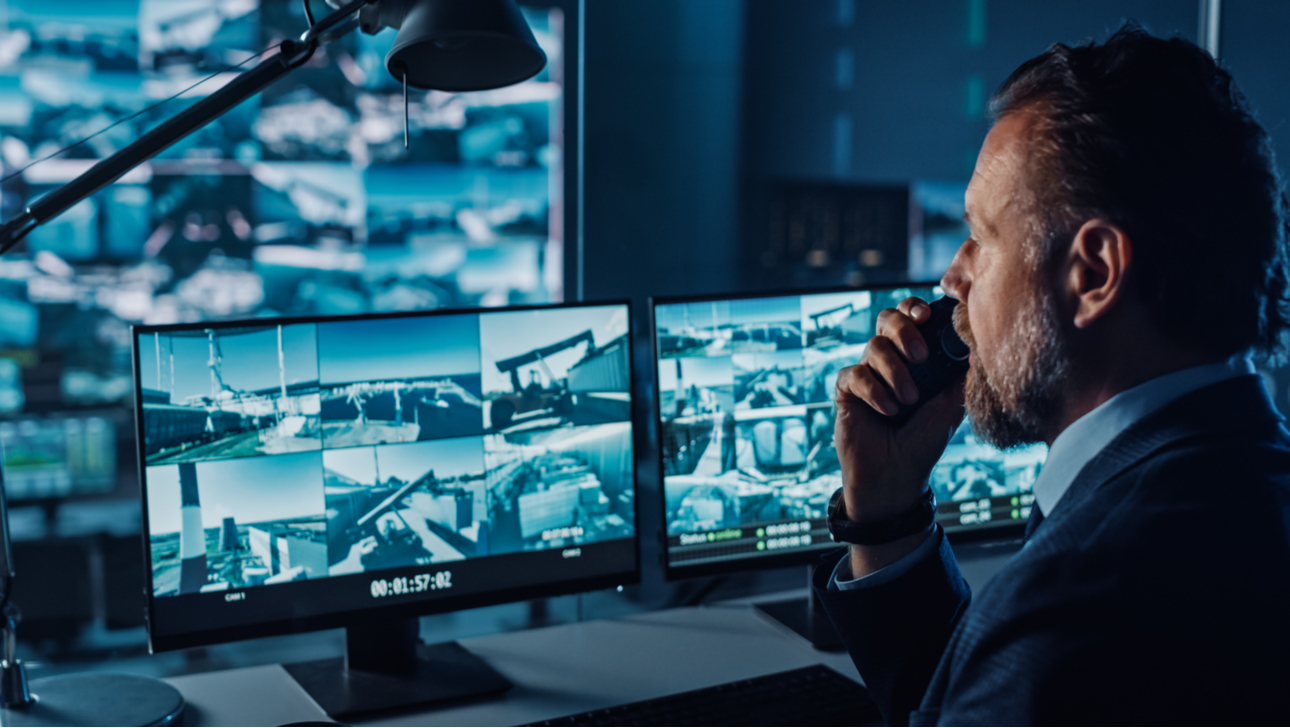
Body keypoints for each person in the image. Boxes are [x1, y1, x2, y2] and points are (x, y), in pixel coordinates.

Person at [817, 25, 1290, 725]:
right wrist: (887, 514)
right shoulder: (1244, 488)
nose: (953, 278)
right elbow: (971, 696)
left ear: (1093, 271)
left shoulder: (1078, 607)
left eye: (983, 238)